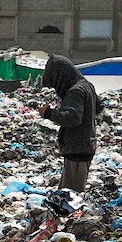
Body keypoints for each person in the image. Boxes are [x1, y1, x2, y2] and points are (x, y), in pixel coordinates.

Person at [40, 54, 101, 194]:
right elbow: (99, 107)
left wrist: (48, 113)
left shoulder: (75, 90)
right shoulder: (86, 85)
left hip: (77, 151)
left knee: (71, 198)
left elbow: (73, 118)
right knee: (66, 195)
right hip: (86, 147)